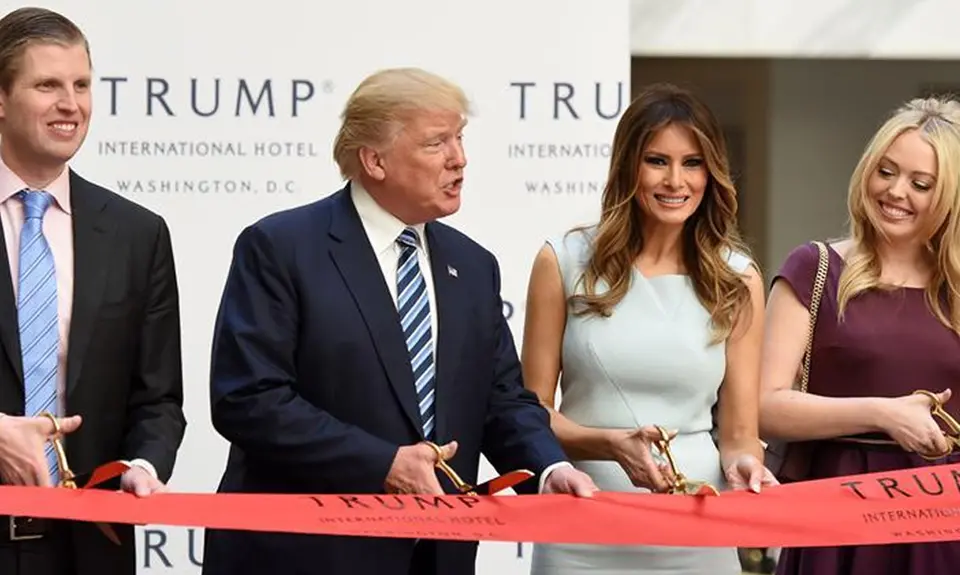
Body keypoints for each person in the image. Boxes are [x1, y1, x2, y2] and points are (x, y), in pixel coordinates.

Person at [201, 67, 597, 575]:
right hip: (307, 556)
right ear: (375, 160)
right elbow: (248, 400)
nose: (460, 158)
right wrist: (383, 464)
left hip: (436, 554)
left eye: (459, 138)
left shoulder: (474, 267)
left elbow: (501, 400)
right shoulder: (281, 248)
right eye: (437, 143)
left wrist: (548, 467)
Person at [521, 82, 777, 575]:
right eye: (657, 160)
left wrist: (743, 464)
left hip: (695, 533)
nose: (675, 180)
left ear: (712, 172)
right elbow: (531, 415)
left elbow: (740, 432)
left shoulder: (737, 278)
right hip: (583, 527)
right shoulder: (564, 261)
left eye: (693, 163)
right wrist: (608, 444)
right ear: (627, 167)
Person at [0, 7, 187, 575]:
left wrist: (142, 463)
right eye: (48, 85)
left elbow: (158, 397)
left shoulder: (138, 233)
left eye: (82, 85)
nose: (71, 104)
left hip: (91, 544)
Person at [760, 97, 960, 574]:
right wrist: (881, 413)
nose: (895, 191)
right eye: (885, 171)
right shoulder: (814, 268)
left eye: (920, 183)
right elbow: (762, 407)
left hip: (946, 524)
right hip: (839, 517)